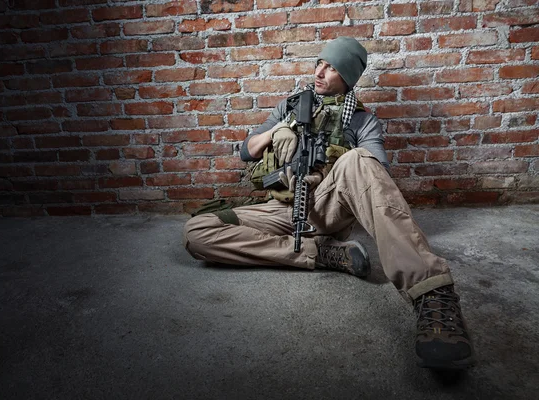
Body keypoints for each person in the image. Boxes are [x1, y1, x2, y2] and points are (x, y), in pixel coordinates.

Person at [183, 37, 475, 370]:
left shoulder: (362, 120)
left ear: (348, 77)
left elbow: (376, 175)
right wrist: (282, 129)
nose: (320, 72)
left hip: (327, 206)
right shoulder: (290, 105)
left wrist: (326, 172)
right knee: (197, 231)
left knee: (360, 160)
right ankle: (319, 255)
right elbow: (247, 150)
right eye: (320, 62)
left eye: (332, 67)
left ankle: (431, 291)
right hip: (280, 209)